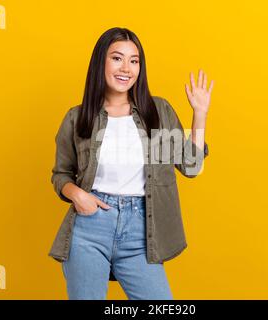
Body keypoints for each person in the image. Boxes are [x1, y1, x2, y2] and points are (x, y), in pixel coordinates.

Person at [49, 27, 214, 300]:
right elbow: (61, 174)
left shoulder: (156, 112)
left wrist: (200, 114)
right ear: (100, 62)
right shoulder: (79, 118)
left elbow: (191, 166)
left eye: (134, 60)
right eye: (117, 58)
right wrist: (77, 194)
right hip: (90, 228)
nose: (126, 67)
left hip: (141, 231)